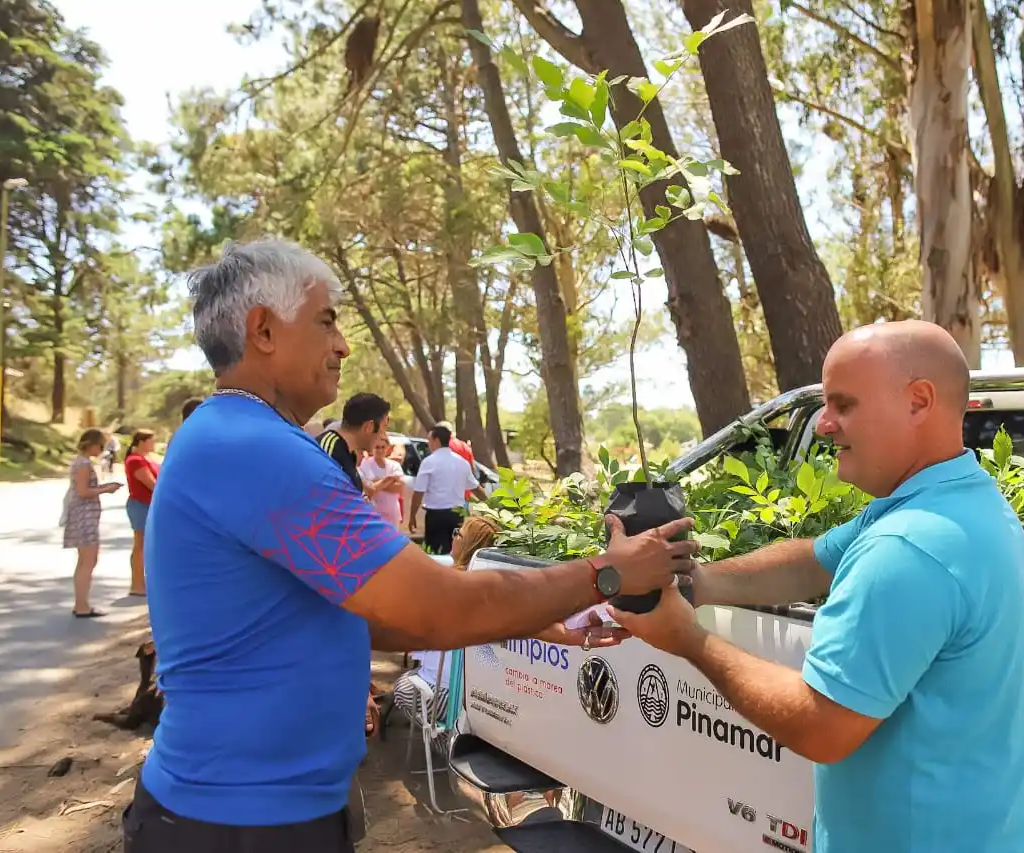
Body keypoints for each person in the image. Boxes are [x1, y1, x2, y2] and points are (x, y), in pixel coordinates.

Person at [127, 238, 696, 853]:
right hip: (237, 824)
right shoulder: (258, 449)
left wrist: (545, 620)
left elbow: (365, 613)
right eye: (326, 321)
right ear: (263, 329)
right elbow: (437, 608)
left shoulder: (229, 435)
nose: (342, 345)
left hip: (243, 811)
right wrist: (607, 573)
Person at [612, 320, 1024, 853]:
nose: (824, 424)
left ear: (919, 401)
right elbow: (812, 562)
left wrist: (687, 638)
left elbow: (821, 726)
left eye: (844, 404)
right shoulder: (956, 499)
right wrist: (698, 582)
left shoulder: (908, 547)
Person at [62, 428, 123, 618]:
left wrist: (104, 487)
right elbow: (83, 491)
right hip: (84, 516)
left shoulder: (82, 461)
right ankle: (82, 605)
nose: (101, 450)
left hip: (85, 515)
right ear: (91, 444)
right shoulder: (83, 464)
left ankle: (81, 603)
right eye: (100, 445)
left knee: (86, 561)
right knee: (88, 560)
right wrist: (105, 489)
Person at [408, 424, 484, 554]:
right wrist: (492, 505)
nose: (428, 444)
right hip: (457, 516)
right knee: (456, 553)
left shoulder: (429, 462)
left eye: (429, 440)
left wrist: (412, 515)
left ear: (436, 440)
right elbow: (476, 488)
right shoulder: (462, 462)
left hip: (436, 517)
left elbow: (419, 492)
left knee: (436, 554)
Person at [316, 392, 389, 496]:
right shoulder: (328, 450)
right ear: (369, 427)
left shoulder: (349, 456)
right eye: (384, 427)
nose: (383, 435)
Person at [123, 430, 159, 597]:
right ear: (142, 442)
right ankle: (137, 584)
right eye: (151, 441)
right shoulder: (135, 460)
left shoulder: (147, 459)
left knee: (147, 545)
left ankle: (143, 582)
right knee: (140, 545)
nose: (154, 444)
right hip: (141, 505)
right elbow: (151, 484)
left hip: (148, 505)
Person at [359, 434, 404, 528]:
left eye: (383, 447)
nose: (380, 450)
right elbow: (368, 488)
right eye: (377, 447)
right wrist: (389, 480)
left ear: (387, 448)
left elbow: (399, 487)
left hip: (392, 512)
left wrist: (377, 482)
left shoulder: (394, 465)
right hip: (373, 511)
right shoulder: (366, 463)